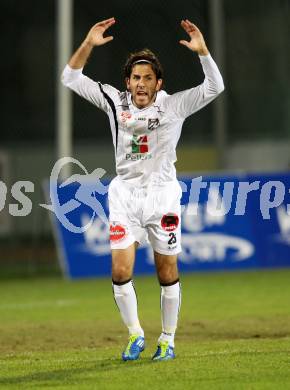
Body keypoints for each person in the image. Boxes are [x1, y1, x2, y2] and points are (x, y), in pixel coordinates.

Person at [62, 17, 224, 361]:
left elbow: (214, 88)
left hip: (162, 195)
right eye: (136, 77)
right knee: (120, 271)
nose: (141, 83)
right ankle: (136, 335)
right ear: (127, 81)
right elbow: (70, 77)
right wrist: (89, 43)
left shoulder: (172, 106)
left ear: (158, 83)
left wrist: (203, 52)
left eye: (147, 78)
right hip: (124, 196)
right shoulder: (113, 101)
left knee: (167, 271)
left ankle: (167, 338)